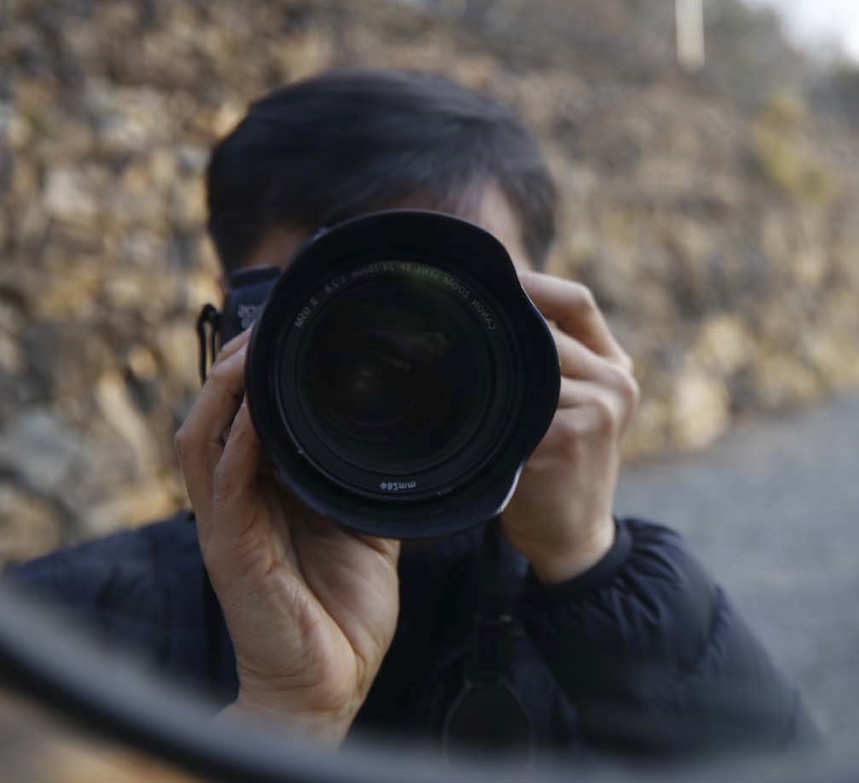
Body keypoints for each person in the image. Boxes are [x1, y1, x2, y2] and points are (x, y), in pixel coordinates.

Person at [6, 69, 816, 759]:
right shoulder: (48, 632)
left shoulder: (610, 612)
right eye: (337, 318)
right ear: (229, 334)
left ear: (547, 333)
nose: (387, 363)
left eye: (439, 318)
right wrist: (284, 714)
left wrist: (591, 565)